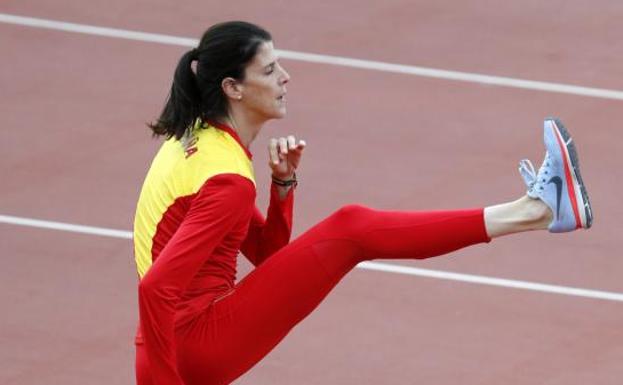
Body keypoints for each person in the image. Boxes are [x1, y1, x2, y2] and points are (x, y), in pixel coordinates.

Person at [132, 21, 593, 385]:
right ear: (233, 87)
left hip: (165, 347)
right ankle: (538, 210)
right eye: (270, 70)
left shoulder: (201, 143)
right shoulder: (228, 180)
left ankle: (540, 210)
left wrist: (283, 186)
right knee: (351, 228)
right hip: (185, 349)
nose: (286, 77)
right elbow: (155, 289)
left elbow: (269, 258)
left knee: (349, 229)